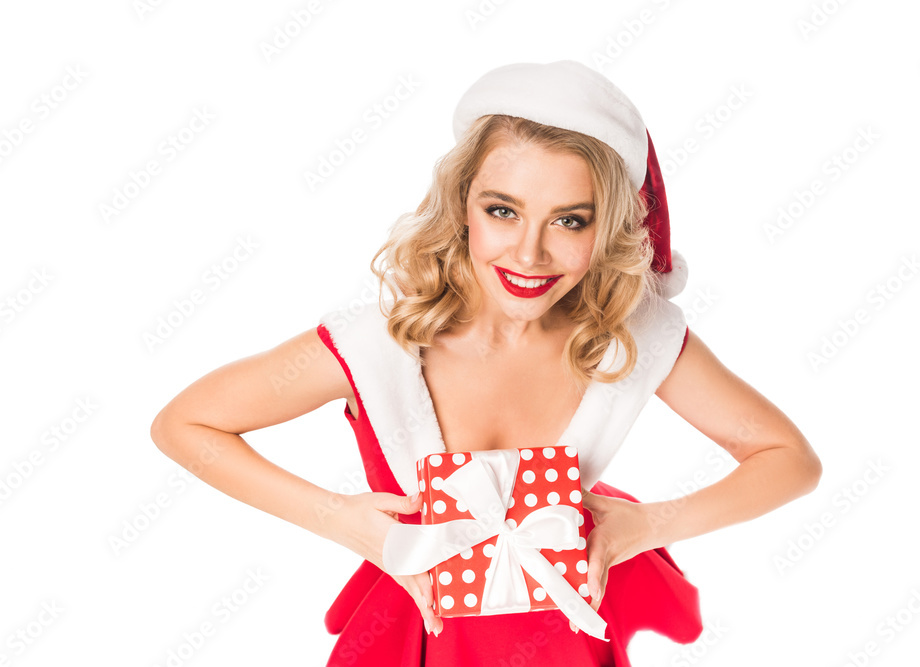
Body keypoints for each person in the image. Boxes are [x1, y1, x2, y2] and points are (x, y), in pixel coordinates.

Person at [150, 60, 822, 666]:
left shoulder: (631, 338)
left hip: (570, 641)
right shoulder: (376, 345)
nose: (529, 254)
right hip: (416, 640)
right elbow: (185, 424)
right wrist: (341, 519)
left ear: (609, 228)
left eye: (571, 220)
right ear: (462, 205)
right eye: (503, 211)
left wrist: (648, 525)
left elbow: (790, 458)